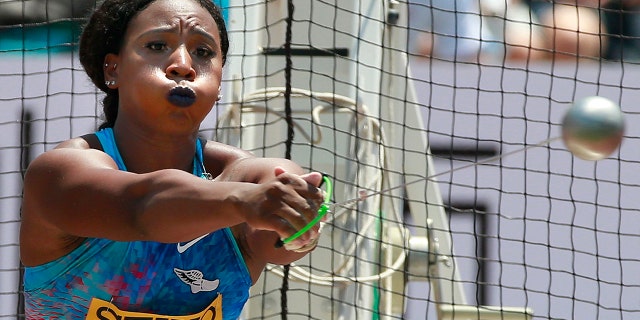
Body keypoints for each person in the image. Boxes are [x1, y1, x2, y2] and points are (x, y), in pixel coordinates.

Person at [19, 0, 325, 319]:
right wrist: (247, 202)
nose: (182, 64)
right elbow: (143, 207)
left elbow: (277, 241)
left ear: (220, 82)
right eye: (157, 45)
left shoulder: (249, 177)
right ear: (113, 69)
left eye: (203, 52)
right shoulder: (58, 173)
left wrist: (295, 218)